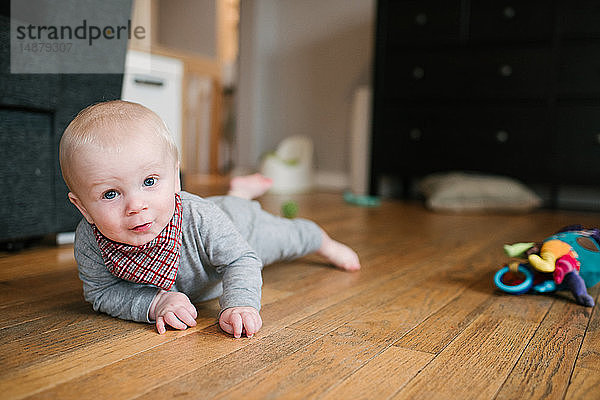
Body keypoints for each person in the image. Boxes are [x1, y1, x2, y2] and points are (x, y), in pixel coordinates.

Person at [59, 100, 361, 338]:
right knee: (225, 207)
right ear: (82, 207)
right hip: (218, 215)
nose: (136, 206)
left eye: (150, 181)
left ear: (176, 179)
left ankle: (318, 237)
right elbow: (101, 292)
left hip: (239, 226)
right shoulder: (90, 241)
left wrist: (240, 304)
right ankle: (239, 192)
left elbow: (241, 259)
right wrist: (154, 304)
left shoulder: (199, 217)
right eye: (111, 194)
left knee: (287, 240)